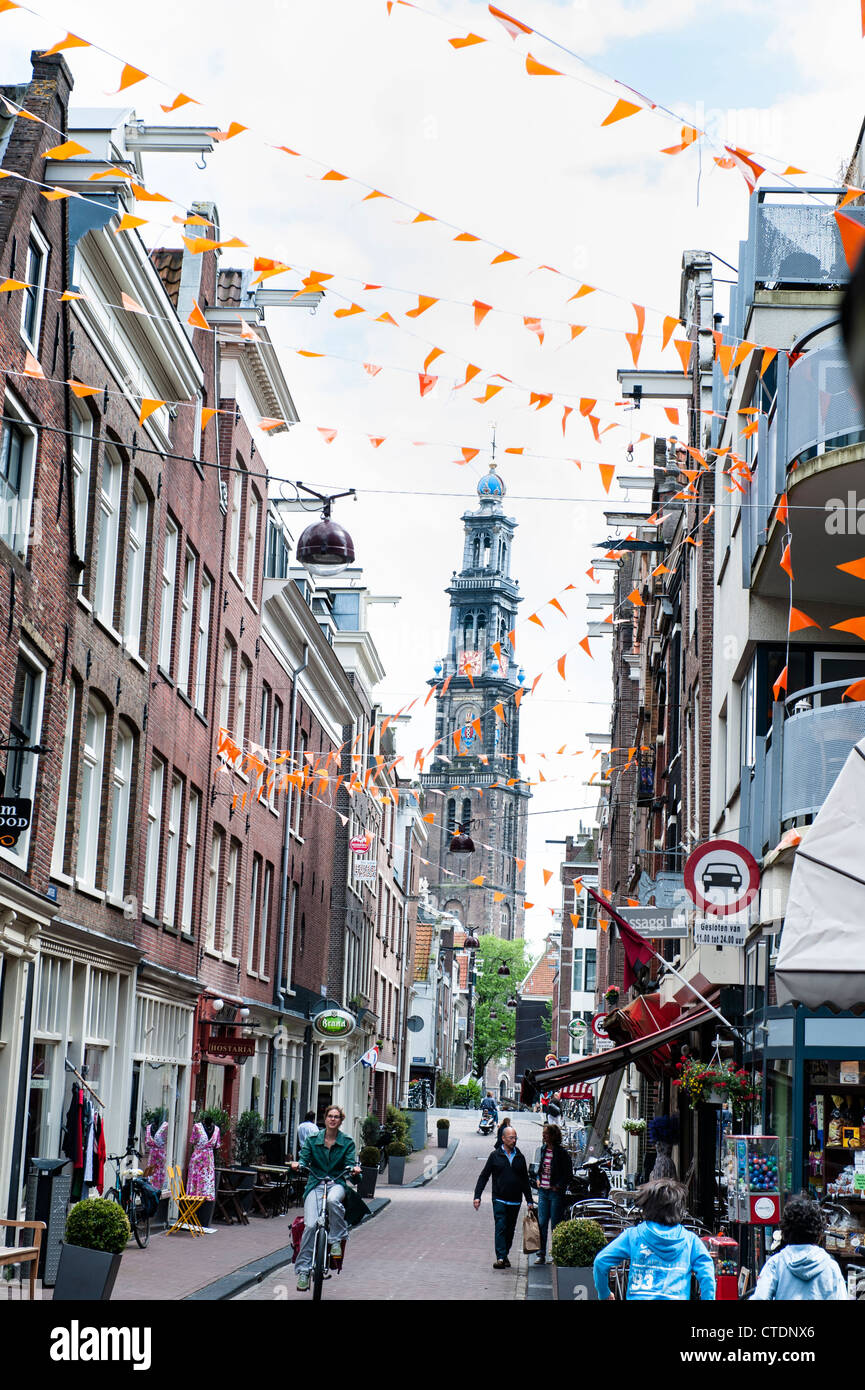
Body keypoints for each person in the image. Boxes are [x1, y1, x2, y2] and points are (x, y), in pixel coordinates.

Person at [593, 1178, 716, 1301]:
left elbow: (601, 1261)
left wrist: (604, 1293)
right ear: (679, 1209)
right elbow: (708, 1277)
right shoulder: (691, 1241)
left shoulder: (633, 1235)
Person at [291, 1104, 361, 1293]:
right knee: (311, 1225)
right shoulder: (313, 1140)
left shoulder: (347, 1142)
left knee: (332, 1200)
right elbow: (304, 1157)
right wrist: (300, 1164)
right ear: (325, 1118)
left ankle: (336, 1239)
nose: (332, 1119)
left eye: (336, 1117)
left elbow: (349, 1163)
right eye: (330, 1116)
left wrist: (353, 1170)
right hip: (315, 1184)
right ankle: (304, 1271)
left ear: (340, 1120)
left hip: (336, 1183)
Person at [750, 1195, 848, 1301]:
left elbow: (760, 1297)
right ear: (819, 1234)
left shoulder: (776, 1263)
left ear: (784, 1232)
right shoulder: (830, 1266)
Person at [473, 1126, 535, 1270]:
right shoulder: (495, 1156)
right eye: (511, 1138)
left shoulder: (520, 1157)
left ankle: (505, 1254)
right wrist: (477, 1196)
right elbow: (484, 1176)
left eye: (515, 1138)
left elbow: (524, 1180)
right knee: (501, 1226)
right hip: (499, 1198)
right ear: (503, 1138)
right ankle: (500, 1258)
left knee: (510, 1229)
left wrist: (529, 1200)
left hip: (515, 1199)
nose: (514, 1141)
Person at [534, 1124, 574, 1265]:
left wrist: (558, 1186)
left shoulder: (561, 1153)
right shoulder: (543, 1150)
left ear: (552, 1136)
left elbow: (568, 1174)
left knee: (555, 1225)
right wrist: (538, 1178)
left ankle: (556, 1254)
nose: (543, 1136)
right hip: (543, 1191)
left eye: (546, 1133)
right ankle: (541, 1254)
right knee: (542, 1223)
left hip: (555, 1193)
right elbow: (541, 1168)